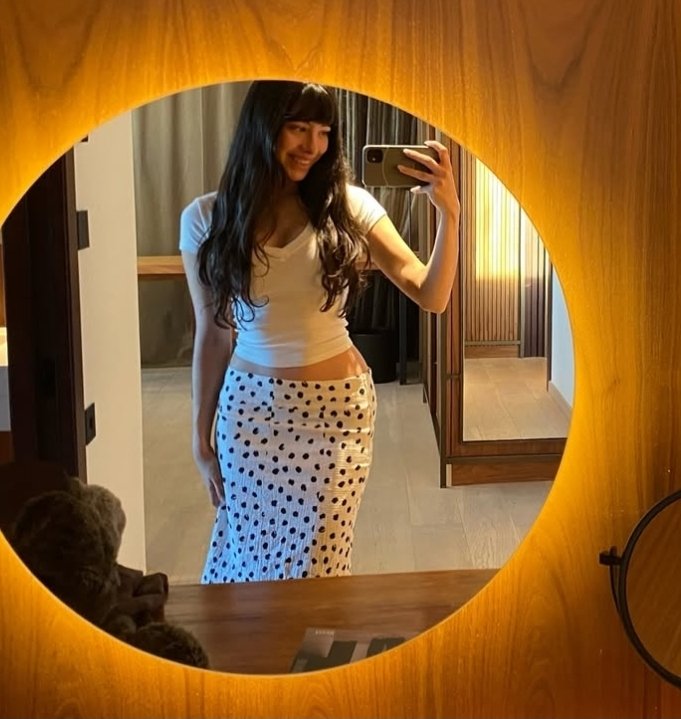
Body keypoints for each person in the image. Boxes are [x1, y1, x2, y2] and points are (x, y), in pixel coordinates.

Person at [180, 80, 460, 583]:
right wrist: (201, 438)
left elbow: (431, 294)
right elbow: (214, 333)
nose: (313, 145)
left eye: (324, 131)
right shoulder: (206, 218)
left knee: (318, 567)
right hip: (248, 418)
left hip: (335, 417)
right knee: (249, 558)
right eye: (298, 128)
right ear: (262, 127)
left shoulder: (349, 206)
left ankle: (313, 639)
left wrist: (450, 216)